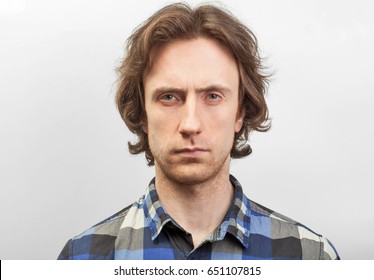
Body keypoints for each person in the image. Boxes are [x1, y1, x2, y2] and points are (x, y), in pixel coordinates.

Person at [58, 3, 339, 260]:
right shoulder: (81, 259)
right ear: (142, 113)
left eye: (213, 96)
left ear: (240, 112)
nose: (190, 124)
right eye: (169, 97)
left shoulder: (311, 257)